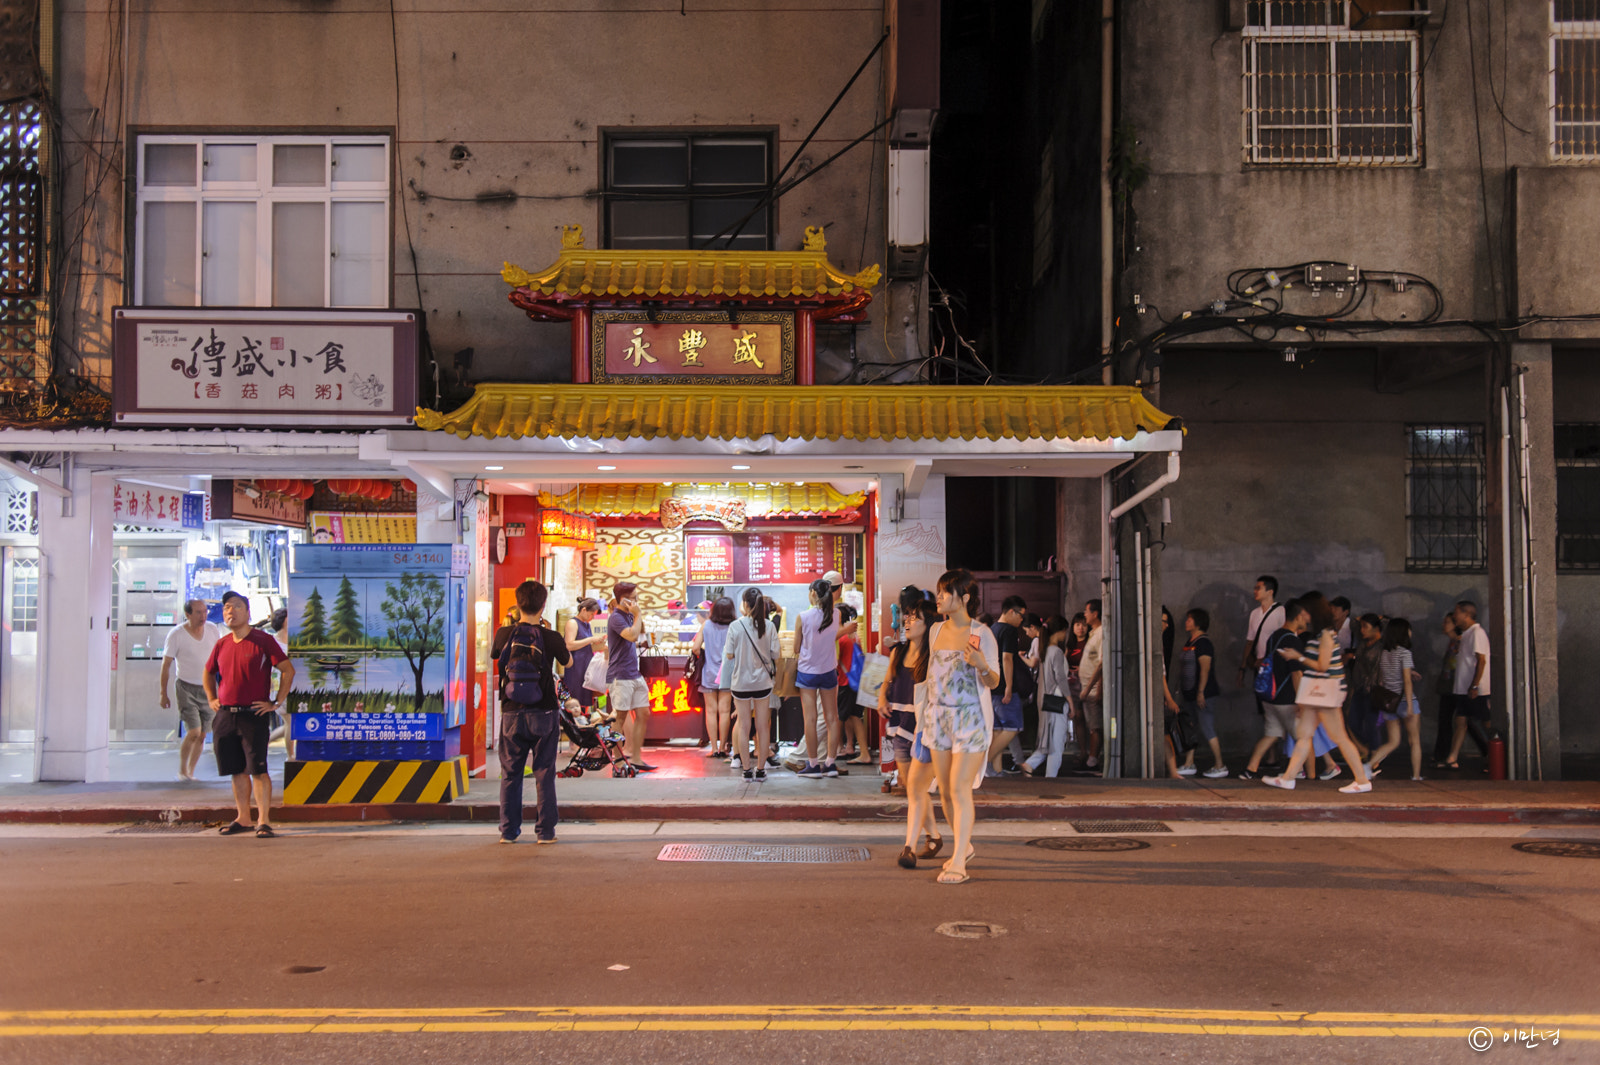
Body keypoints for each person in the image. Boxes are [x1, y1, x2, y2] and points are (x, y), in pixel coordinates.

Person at [924, 569, 1000, 884]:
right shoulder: (935, 630)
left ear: (964, 598)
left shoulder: (982, 633)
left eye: (945, 591)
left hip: (970, 718)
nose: (939, 597)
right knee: (944, 790)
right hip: (938, 717)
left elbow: (994, 680)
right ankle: (964, 845)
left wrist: (982, 666)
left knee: (959, 788)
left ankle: (958, 861)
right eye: (938, 591)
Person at [204, 590, 294, 837]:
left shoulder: (262, 640)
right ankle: (243, 817)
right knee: (236, 769)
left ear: (247, 611)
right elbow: (208, 672)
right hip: (225, 714)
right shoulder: (221, 644)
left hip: (252, 714)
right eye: (226, 608)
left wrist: (276, 702)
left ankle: (263, 820)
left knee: (258, 769)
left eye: (235, 606)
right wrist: (212, 698)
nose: (229, 611)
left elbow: (287, 670)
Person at [1262, 593, 1373, 794]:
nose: (1302, 615)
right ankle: (1288, 778)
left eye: (1305, 610)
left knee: (1338, 737)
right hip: (1319, 692)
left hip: (1325, 691)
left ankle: (1362, 779)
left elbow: (1322, 666)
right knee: (1304, 736)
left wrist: (1298, 657)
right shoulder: (1321, 635)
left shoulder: (1326, 636)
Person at [495, 580, 571, 844]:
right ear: (544, 605)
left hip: (511, 712)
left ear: (517, 604)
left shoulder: (504, 634)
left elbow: (496, 655)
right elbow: (567, 662)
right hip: (544, 712)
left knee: (511, 774)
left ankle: (508, 832)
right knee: (544, 772)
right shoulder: (550, 636)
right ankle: (545, 832)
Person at [884, 600, 942, 868]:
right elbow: (887, 680)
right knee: (911, 786)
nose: (907, 621)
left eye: (914, 618)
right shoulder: (899, 651)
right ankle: (933, 836)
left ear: (927, 623)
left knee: (915, 787)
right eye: (906, 617)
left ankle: (915, 843)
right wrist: (881, 698)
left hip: (923, 728)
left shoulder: (934, 656)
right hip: (899, 722)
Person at [793, 577, 852, 778]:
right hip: (829, 671)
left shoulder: (803, 616)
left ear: (813, 594)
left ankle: (813, 765)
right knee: (832, 718)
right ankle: (830, 763)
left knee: (810, 719)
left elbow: (795, 647)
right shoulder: (836, 614)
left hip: (808, 672)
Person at [160, 599, 222, 781]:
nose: (203, 616)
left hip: (209, 688)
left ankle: (190, 772)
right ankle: (181, 770)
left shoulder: (212, 629)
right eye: (197, 612)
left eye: (204, 612)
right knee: (193, 731)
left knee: (202, 734)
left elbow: (220, 657)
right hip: (186, 687)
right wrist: (163, 692)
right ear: (187, 614)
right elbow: (166, 664)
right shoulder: (176, 634)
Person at [725, 586, 780, 782]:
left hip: (740, 683)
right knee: (763, 726)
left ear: (746, 604)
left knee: (743, 726)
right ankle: (761, 769)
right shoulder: (769, 626)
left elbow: (729, 654)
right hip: (762, 683)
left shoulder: (735, 626)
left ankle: (746, 770)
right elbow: (776, 654)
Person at [1238, 576, 1287, 767]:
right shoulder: (1254, 614)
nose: (1255, 591)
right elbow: (1250, 641)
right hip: (1260, 670)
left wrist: (1265, 659)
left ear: (1270, 591)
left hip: (1275, 669)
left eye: (1259, 588)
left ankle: (1282, 753)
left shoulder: (1280, 612)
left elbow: (1285, 639)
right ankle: (1272, 755)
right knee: (1265, 712)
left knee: (1279, 710)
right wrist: (1243, 666)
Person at [606, 582, 655, 772]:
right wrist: (638, 614)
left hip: (634, 672)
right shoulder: (616, 618)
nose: (636, 601)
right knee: (620, 717)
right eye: (634, 597)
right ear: (623, 599)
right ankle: (618, 759)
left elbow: (639, 635)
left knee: (644, 713)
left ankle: (636, 757)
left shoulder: (627, 616)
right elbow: (632, 636)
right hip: (620, 675)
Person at [1368, 617, 1423, 781]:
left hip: (1389, 703)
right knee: (1414, 741)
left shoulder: (1385, 652)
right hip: (1405, 701)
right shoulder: (1405, 653)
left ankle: (1367, 766)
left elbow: (1384, 678)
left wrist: (1409, 673)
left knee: (1393, 742)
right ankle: (1416, 776)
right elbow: (1406, 681)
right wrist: (1410, 708)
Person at [1442, 601, 1492, 770]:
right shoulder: (1466, 634)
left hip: (1475, 689)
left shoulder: (1477, 633)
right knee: (1461, 721)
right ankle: (1452, 757)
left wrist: (1475, 685)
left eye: (1457, 613)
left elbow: (1482, 660)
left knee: (1485, 723)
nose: (1454, 616)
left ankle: (1494, 756)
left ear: (1466, 614)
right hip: (1464, 688)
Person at [1177, 608, 1227, 778]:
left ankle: (1220, 765)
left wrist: (1200, 692)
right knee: (1191, 728)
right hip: (1189, 693)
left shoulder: (1203, 643)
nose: (1186, 622)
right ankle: (1189, 763)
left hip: (1203, 694)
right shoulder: (1190, 641)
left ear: (1198, 622)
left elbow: (1205, 669)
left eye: (1189, 619)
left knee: (1207, 727)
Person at [1022, 615, 1072, 777]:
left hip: (1045, 699)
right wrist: (1071, 702)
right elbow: (1061, 679)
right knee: (1056, 743)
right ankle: (1050, 778)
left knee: (1050, 741)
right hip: (1056, 700)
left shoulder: (1045, 651)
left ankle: (1030, 764)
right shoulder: (1056, 651)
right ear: (1061, 631)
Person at [692, 597, 735, 761]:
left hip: (709, 673)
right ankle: (724, 747)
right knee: (725, 711)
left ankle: (714, 748)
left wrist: (706, 654)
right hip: (727, 674)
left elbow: (695, 648)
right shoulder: (734, 626)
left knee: (711, 711)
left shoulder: (706, 625)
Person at [834, 604, 874, 765]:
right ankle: (862, 752)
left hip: (845, 681)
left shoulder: (841, 637)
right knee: (855, 717)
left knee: (837, 718)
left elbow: (835, 660)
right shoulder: (853, 635)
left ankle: (836, 749)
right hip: (856, 681)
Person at [562, 598, 605, 713]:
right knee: (575, 700)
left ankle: (582, 723)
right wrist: (591, 639)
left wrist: (599, 643)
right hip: (576, 666)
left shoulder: (587, 625)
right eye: (592, 614)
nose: (592, 618)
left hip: (586, 666)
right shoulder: (572, 623)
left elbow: (586, 647)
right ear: (584, 610)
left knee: (585, 700)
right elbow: (569, 645)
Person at [1078, 599, 1106, 770]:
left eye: (1087, 611)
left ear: (1095, 614)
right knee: (1091, 725)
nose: (1085, 614)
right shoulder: (1093, 633)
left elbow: (1102, 664)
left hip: (1094, 689)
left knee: (1095, 726)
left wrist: (1091, 689)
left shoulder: (1102, 633)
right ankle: (1091, 757)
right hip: (1088, 688)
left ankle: (1093, 759)